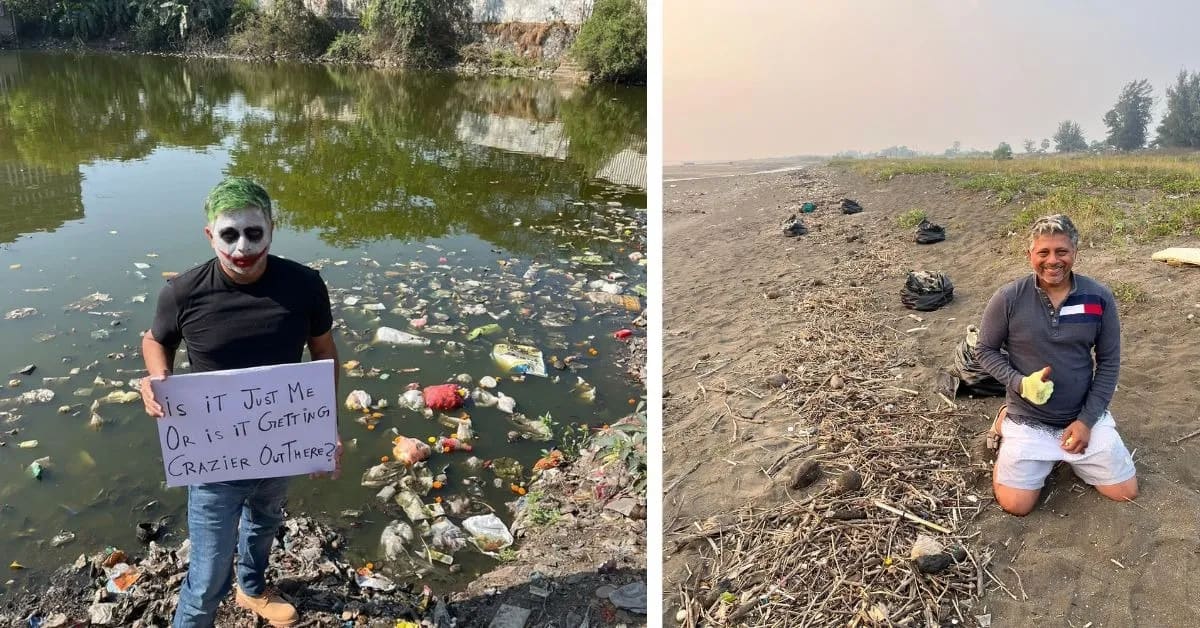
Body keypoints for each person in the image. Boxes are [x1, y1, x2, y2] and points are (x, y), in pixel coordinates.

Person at [140, 177, 340, 627]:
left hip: (280, 443)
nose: (242, 247)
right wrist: (158, 378)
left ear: (272, 228)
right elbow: (155, 341)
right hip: (213, 455)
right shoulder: (184, 292)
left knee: (265, 523)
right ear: (210, 235)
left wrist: (327, 429)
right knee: (208, 573)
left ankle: (251, 588)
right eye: (229, 235)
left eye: (254, 233)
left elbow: (324, 354)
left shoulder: (305, 285)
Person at [976, 214, 1137, 516]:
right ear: (1030, 256)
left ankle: (1074, 454)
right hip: (1029, 418)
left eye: (1061, 252)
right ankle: (1005, 419)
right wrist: (1020, 383)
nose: (1053, 261)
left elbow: (1109, 362)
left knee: (1125, 492)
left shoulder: (1098, 298)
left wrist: (1087, 421)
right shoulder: (1008, 298)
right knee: (1017, 505)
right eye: (1043, 252)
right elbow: (984, 350)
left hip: (1080, 416)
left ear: (1075, 253)